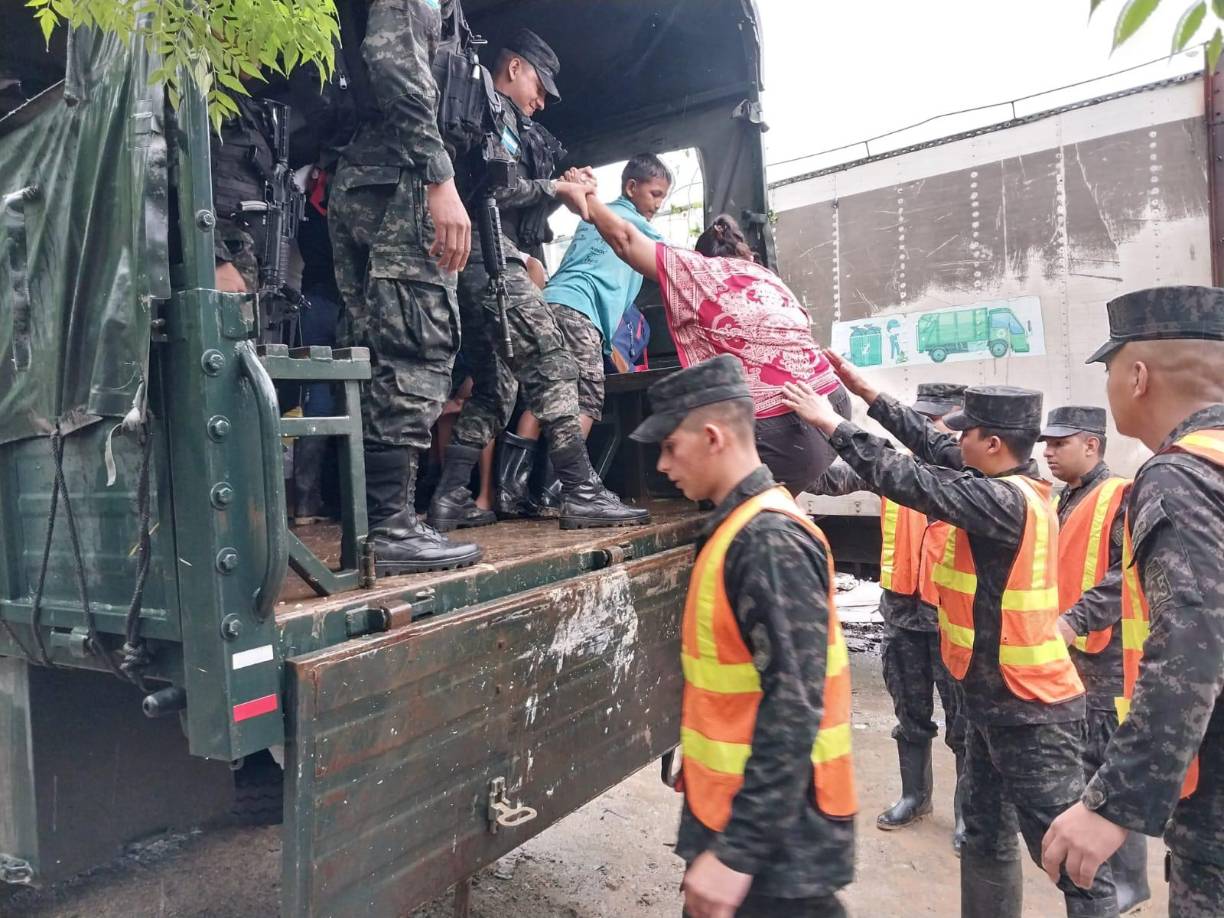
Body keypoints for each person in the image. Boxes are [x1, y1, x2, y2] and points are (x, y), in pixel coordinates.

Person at [783, 367, 1119, 917]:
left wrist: (832, 424)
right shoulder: (1002, 480)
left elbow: (911, 477)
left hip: (1030, 709)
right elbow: (931, 444)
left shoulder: (1002, 501)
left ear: (990, 443)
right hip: (989, 700)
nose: (953, 440)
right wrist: (870, 395)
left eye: (966, 433)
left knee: (1067, 856)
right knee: (986, 834)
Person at [631, 355, 855, 918]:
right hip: (745, 821)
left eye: (668, 446)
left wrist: (738, 853)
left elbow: (795, 705)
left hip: (778, 843)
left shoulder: (767, 540)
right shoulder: (739, 526)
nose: (661, 464)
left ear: (711, 437)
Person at [1041, 285, 1224, 918]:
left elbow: (1192, 642)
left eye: (1112, 368)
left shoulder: (1179, 474)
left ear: (1138, 375)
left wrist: (1114, 803)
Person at [427, 29, 649, 533]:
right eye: (540, 87)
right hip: (484, 253)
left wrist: (566, 181)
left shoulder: (512, 125)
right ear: (514, 68)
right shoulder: (482, 107)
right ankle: (581, 490)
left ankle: (448, 498)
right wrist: (555, 188)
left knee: (495, 387)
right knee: (551, 358)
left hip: (485, 255)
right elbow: (491, 191)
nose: (542, 101)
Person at [327, 0, 481, 574]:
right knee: (418, 344)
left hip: (380, 173)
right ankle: (388, 527)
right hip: (400, 176)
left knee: (383, 351)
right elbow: (391, 59)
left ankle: (384, 522)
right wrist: (438, 176)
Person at [564, 191, 850, 493]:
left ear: (700, 255)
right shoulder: (765, 276)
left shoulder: (697, 270)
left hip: (784, 429)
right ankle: (849, 476)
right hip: (833, 408)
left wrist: (588, 200)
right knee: (791, 468)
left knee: (715, 445)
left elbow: (625, 239)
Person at [811, 383, 968, 850]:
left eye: (936, 420)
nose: (925, 427)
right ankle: (915, 796)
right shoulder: (896, 470)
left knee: (964, 725)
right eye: (922, 417)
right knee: (910, 713)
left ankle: (968, 813)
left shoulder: (975, 478)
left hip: (951, 620)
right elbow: (830, 480)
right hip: (901, 615)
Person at [495, 153, 674, 519]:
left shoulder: (591, 215)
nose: (658, 204)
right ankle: (554, 489)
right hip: (582, 313)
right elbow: (670, 263)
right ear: (631, 187)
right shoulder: (637, 225)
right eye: (655, 194)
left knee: (546, 393)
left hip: (551, 301)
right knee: (587, 399)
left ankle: (509, 492)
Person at [1039, 407, 1150, 913]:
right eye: (1047, 443)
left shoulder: (1120, 496)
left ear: (1092, 445)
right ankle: (1107, 870)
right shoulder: (1067, 498)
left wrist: (1071, 622)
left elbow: (1121, 577)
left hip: (1104, 659)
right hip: (1076, 656)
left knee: (1111, 766)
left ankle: (1131, 881)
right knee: (1088, 763)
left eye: (1060, 443)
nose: (1048, 452)